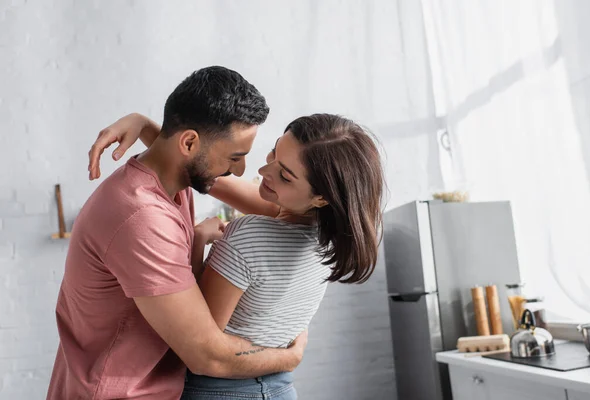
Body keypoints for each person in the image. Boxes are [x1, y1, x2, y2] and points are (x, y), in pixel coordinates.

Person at [47, 66, 307, 400]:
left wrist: (144, 124)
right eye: (235, 156)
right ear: (188, 142)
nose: (241, 170)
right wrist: (290, 357)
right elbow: (206, 356)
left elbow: (275, 206)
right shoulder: (141, 217)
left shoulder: (177, 176)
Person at [89, 111, 384, 399]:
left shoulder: (249, 234)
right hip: (281, 389)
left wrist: (198, 240)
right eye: (273, 154)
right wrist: (145, 126)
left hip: (218, 390)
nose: (263, 172)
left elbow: (200, 334)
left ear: (321, 197)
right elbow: (203, 172)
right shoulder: (332, 238)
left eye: (284, 175)